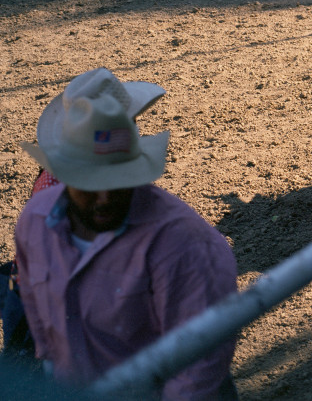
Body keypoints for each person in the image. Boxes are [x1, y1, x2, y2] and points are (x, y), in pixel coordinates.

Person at [14, 68, 238, 399]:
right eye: (90, 186)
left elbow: (198, 366)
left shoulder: (185, 244)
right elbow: (34, 297)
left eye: (117, 183)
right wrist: (49, 358)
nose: (104, 198)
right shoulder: (34, 220)